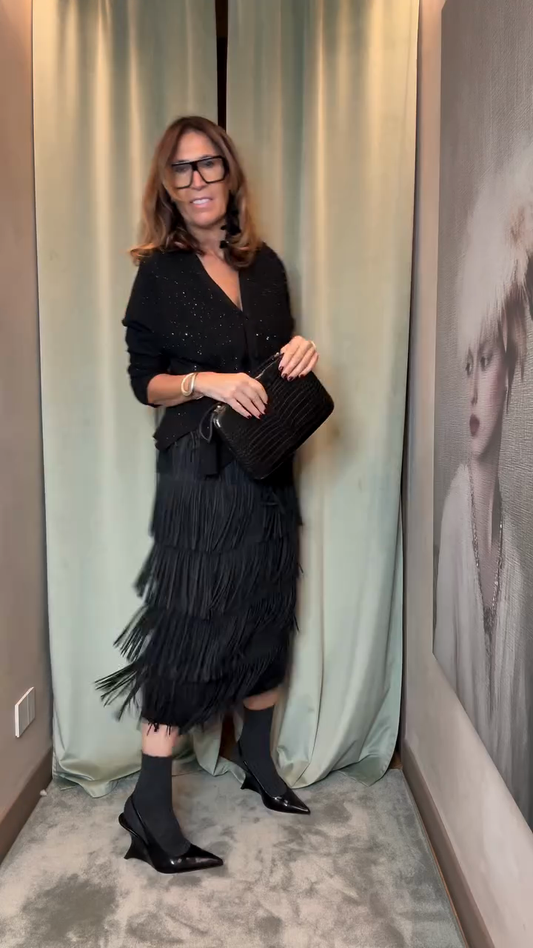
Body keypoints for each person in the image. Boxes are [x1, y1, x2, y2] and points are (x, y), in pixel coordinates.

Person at [97, 116, 318, 873]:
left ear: (230, 172)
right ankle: (150, 807)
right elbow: (144, 383)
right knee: (191, 624)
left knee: (266, 610)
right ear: (167, 186)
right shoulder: (160, 273)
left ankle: (257, 762)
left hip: (267, 464)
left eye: (208, 164)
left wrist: (297, 351)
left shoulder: (267, 266)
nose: (196, 181)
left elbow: (276, 368)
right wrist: (204, 381)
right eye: (181, 169)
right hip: (198, 470)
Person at [434, 147, 533, 821]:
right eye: (466, 363)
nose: (473, 389)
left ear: (513, 368)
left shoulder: (512, 549)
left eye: (488, 360)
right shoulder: (454, 514)